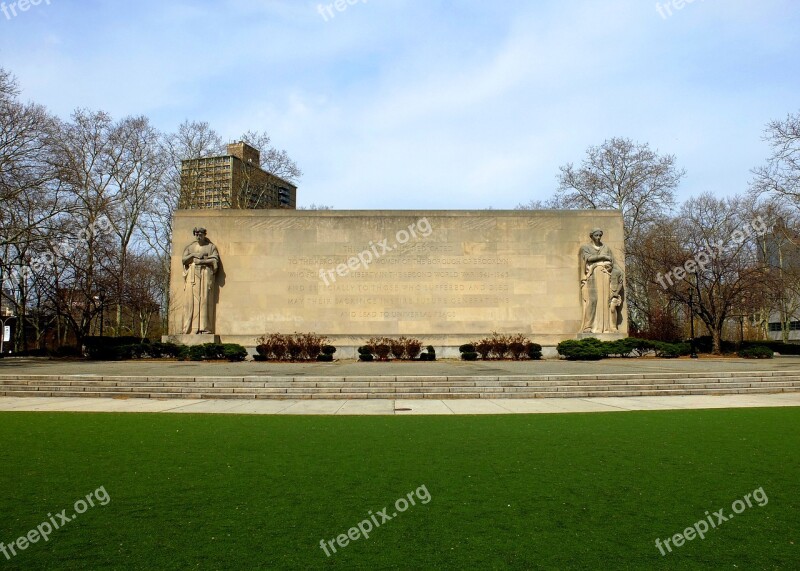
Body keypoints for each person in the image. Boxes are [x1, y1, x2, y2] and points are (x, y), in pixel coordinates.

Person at [182, 227, 220, 334]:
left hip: (205, 273)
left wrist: (203, 260)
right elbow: (183, 260)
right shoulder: (190, 247)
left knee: (204, 299)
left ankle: (204, 327)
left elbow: (215, 260)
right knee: (191, 301)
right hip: (192, 274)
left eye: (201, 234)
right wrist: (193, 255)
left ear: (204, 234)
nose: (198, 236)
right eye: (197, 234)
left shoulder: (211, 247)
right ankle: (191, 328)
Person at [579, 229, 617, 333]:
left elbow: (612, 262)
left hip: (605, 275)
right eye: (596, 235)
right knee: (593, 300)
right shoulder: (586, 247)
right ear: (591, 236)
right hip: (593, 275)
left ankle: (606, 327)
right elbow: (589, 258)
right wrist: (603, 257)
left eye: (600, 235)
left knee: (605, 300)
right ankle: (589, 326)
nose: (598, 237)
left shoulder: (606, 247)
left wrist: (608, 265)